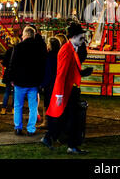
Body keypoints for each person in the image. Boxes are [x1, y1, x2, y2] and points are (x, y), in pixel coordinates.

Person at [41, 23, 93, 153]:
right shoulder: (66, 50)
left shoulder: (72, 48)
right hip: (67, 90)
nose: (83, 39)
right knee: (69, 118)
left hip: (70, 89)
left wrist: (83, 73)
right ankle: (70, 145)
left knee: (66, 118)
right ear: (74, 36)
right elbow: (61, 73)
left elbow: (69, 71)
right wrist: (59, 94)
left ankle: (52, 138)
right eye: (81, 36)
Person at [9, 26, 47, 136]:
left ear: (25, 35)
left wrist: (11, 78)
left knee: (18, 105)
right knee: (33, 107)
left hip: (20, 82)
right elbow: (42, 66)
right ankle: (31, 128)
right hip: (34, 82)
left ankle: (18, 127)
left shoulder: (18, 47)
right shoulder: (39, 48)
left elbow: (12, 64)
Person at [38, 37, 62, 128]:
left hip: (50, 84)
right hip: (58, 83)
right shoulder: (60, 55)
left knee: (48, 103)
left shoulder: (49, 56)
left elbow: (48, 72)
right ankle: (57, 122)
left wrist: (43, 84)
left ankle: (47, 122)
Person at [0, 39, 18, 115]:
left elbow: (4, 63)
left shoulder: (8, 51)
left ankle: (3, 109)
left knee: (7, 91)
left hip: (8, 72)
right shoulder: (18, 51)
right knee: (15, 92)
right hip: (16, 73)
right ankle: (13, 109)